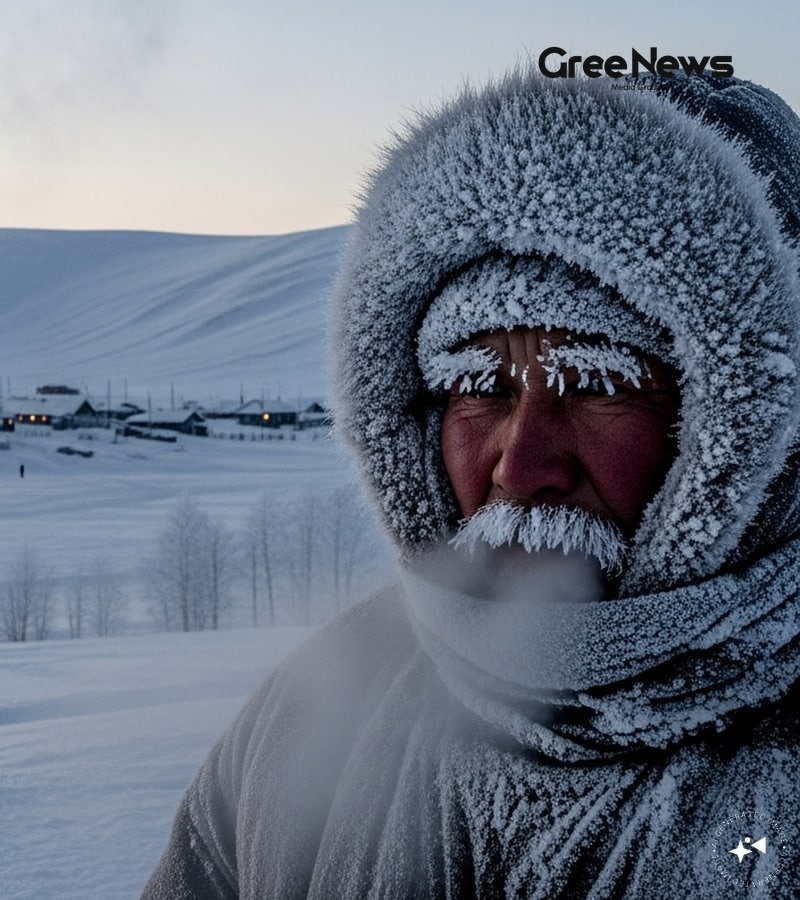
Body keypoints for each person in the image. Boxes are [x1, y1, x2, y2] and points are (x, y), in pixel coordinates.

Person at [143, 69, 800, 898]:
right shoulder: (310, 715)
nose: (519, 468)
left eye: (596, 386)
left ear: (752, 430)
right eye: (481, 390)